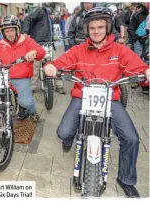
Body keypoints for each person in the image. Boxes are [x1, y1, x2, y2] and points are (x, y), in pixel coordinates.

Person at [43, 7, 149, 198]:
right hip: (82, 97)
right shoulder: (78, 50)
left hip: (110, 99)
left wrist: (146, 71)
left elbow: (137, 66)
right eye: (92, 28)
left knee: (132, 138)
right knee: (64, 132)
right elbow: (60, 63)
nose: (97, 31)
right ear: (87, 30)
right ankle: (69, 140)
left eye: (101, 27)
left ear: (108, 28)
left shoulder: (119, 50)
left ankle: (126, 179)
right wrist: (50, 66)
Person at [22, 2, 66, 94]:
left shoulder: (47, 14)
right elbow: (28, 18)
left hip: (48, 44)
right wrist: (25, 33)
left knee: (53, 64)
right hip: (39, 44)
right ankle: (32, 87)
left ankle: (57, 86)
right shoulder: (41, 11)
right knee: (36, 66)